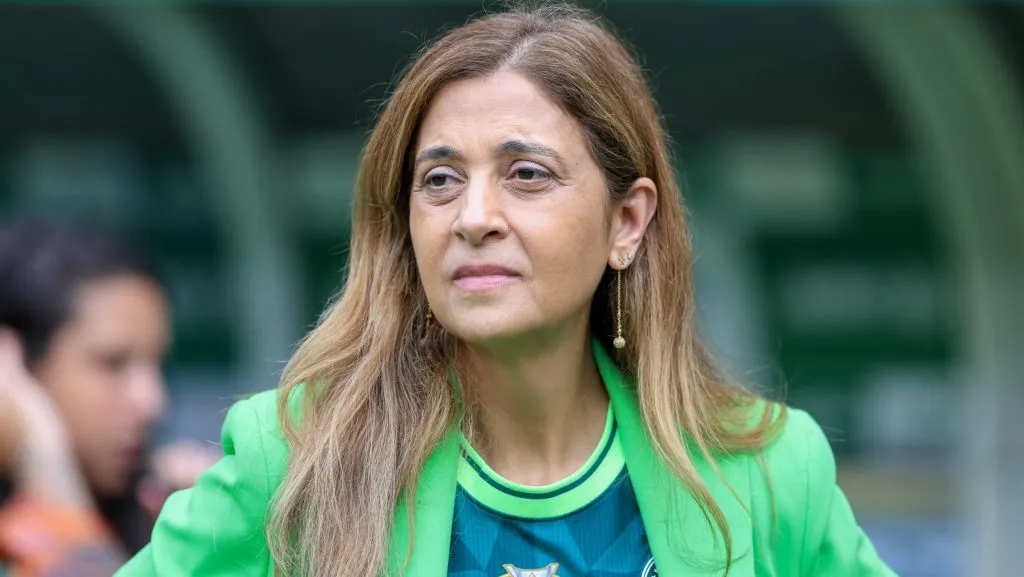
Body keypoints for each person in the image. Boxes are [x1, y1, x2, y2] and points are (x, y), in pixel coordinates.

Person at [117, 4, 896, 576]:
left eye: (527, 174)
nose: (474, 217)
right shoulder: (293, 461)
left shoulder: (768, 471)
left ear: (628, 220)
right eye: (441, 179)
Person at [0, 220, 216, 577]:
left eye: (157, 364)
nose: (152, 402)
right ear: (14, 366)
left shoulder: (160, 515)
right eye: (112, 363)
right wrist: (43, 461)